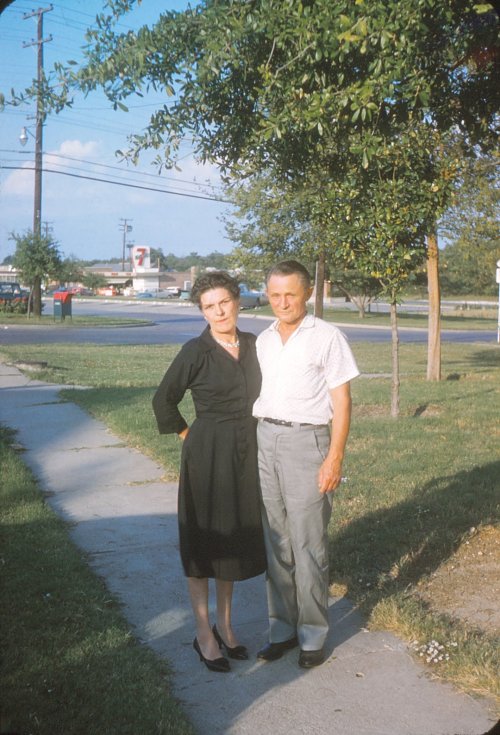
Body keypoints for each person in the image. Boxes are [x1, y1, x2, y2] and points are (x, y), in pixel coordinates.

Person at [152, 271, 266, 673]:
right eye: (209, 306)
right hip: (206, 453)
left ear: (237, 301)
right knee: (204, 543)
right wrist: (187, 434)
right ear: (202, 311)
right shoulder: (194, 351)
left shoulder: (255, 346)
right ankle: (203, 634)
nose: (219, 312)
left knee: (232, 539)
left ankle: (227, 626)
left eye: (224, 303)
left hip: (244, 452)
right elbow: (163, 400)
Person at [253, 260, 359, 669]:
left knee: (307, 543)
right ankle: (281, 629)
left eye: (290, 295)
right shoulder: (263, 339)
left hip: (307, 441)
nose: (282, 302)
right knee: (275, 540)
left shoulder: (327, 337)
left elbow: (342, 401)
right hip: (267, 437)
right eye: (275, 295)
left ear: (307, 294)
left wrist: (334, 457)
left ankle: (312, 636)